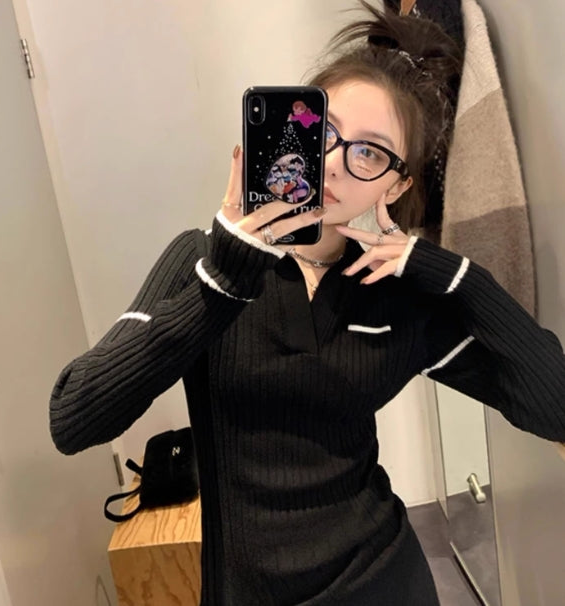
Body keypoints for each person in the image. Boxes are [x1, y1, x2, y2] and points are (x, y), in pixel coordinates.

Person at [49, 4, 565, 605]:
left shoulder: (396, 293)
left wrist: (457, 276)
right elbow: (74, 419)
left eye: (369, 153)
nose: (332, 163)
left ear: (397, 185)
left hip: (385, 582)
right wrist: (222, 284)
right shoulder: (200, 260)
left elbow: (555, 407)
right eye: (322, 131)